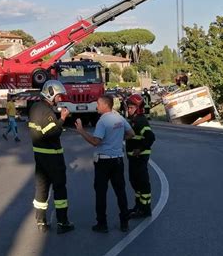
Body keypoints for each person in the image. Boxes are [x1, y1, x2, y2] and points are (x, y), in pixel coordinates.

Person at [75, 95, 135, 233]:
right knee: (121, 192)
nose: (96, 106)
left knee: (101, 193)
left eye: (98, 103)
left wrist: (81, 131)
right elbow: (131, 133)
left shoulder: (102, 121)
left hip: (104, 161)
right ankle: (124, 222)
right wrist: (118, 140)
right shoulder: (119, 118)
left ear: (105, 105)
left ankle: (102, 224)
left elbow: (96, 141)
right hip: (118, 159)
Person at [28, 80, 75, 234]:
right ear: (51, 93)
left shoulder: (35, 107)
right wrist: (62, 118)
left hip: (39, 157)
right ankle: (62, 222)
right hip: (53, 158)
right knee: (60, 189)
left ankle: (41, 221)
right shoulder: (47, 112)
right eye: (58, 96)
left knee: (41, 189)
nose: (60, 99)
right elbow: (52, 132)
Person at [125, 94, 155, 218]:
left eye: (131, 108)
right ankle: (138, 207)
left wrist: (140, 149)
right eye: (128, 107)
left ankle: (145, 209)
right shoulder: (134, 120)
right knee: (135, 182)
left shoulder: (140, 121)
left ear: (137, 108)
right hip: (134, 158)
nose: (128, 110)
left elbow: (150, 137)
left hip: (140, 158)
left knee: (142, 183)